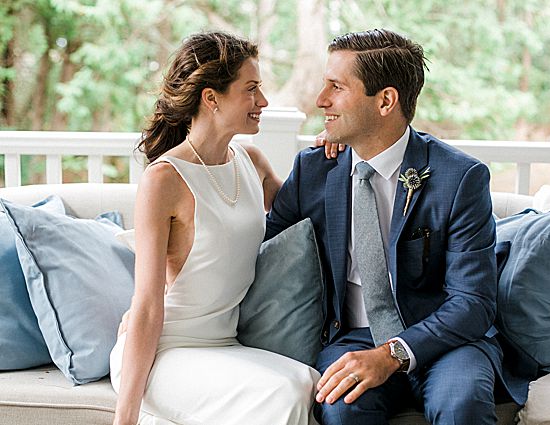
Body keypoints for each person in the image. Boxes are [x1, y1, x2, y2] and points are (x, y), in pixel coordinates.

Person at [264, 29, 509, 425]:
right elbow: (266, 248)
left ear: (385, 100)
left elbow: (474, 302)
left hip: (447, 341)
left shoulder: (459, 177)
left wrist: (392, 353)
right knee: (341, 409)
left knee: (461, 405)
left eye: (336, 87)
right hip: (351, 338)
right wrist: (256, 167)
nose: (320, 100)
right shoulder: (314, 169)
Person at [111, 31, 318, 425]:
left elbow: (307, 211)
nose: (264, 102)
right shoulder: (164, 180)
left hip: (224, 344)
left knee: (308, 382)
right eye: (251, 89)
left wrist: (335, 147)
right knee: (284, 394)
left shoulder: (251, 162)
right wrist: (125, 418)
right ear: (212, 98)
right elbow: (149, 306)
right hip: (169, 351)